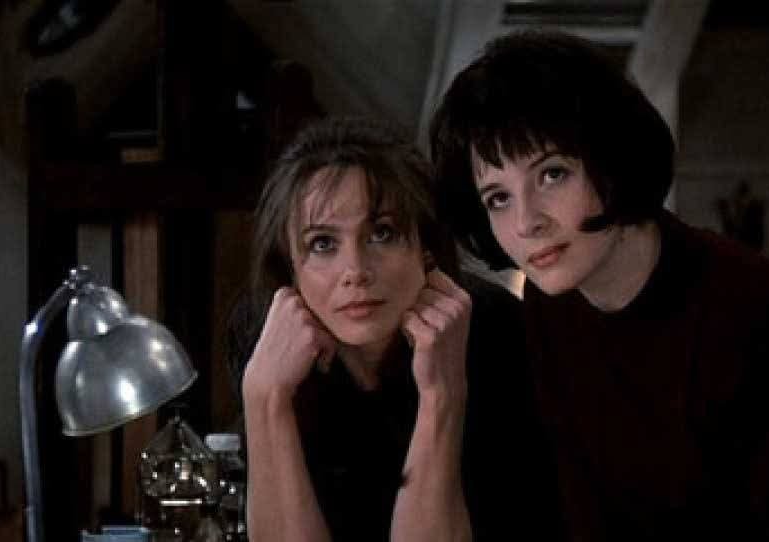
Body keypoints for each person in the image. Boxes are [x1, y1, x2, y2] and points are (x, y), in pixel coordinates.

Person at [430, 29, 769, 540]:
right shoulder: (550, 306)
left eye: (552, 174)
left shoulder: (761, 312)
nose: (527, 222)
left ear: (612, 159)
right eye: (498, 198)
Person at [228, 117, 552, 541]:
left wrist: (442, 394)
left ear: (427, 249)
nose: (356, 271)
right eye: (323, 243)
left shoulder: (498, 327)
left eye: (382, 233)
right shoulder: (265, 333)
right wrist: (265, 395)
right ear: (290, 268)